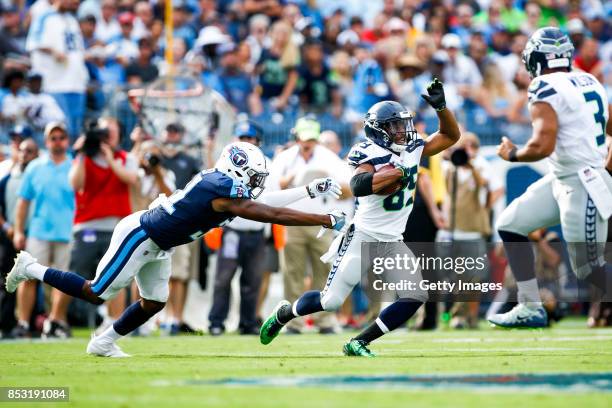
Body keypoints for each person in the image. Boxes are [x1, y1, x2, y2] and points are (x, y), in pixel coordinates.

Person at [5, 142, 345, 357]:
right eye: (252, 177)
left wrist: (308, 190)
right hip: (141, 234)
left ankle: (103, 342)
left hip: (161, 243)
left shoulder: (225, 186)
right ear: (235, 169)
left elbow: (266, 202)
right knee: (96, 292)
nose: (255, 184)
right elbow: (270, 213)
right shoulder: (219, 187)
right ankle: (30, 268)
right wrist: (325, 218)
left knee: (154, 301)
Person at [260, 78, 461, 356]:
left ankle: (359, 342)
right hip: (363, 235)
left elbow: (451, 137)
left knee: (415, 295)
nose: (402, 131)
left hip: (393, 239)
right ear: (379, 130)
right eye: (394, 126)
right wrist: (390, 175)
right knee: (330, 301)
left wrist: (441, 107)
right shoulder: (367, 150)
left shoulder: (413, 148)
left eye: (403, 124)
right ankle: (286, 312)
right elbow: (359, 185)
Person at [490, 27, 612, 328]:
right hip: (565, 178)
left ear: (535, 58)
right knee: (510, 224)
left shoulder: (543, 85)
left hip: (580, 182)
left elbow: (542, 145)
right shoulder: (590, 79)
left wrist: (512, 154)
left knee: (588, 269)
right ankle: (530, 306)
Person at [208, 121, 341, 335]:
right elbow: (270, 201)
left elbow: (271, 200)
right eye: (242, 138)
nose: (246, 143)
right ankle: (219, 321)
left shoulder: (270, 162)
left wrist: (311, 188)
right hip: (240, 228)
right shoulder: (230, 161)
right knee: (227, 277)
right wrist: (303, 185)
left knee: (255, 279)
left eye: (250, 138)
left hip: (277, 227)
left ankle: (251, 322)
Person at [268, 116, 350, 335]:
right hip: (292, 220)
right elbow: (273, 190)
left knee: (324, 271)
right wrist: (293, 178)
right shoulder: (285, 159)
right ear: (297, 138)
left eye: (312, 139)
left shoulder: (328, 158)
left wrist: (330, 183)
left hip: (320, 221)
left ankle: (325, 320)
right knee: (292, 273)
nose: (308, 143)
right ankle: (293, 322)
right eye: (305, 138)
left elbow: (349, 188)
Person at [68, 117, 138, 333]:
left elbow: (130, 179)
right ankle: (57, 319)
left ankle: (113, 321)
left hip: (116, 226)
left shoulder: (124, 157)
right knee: (75, 271)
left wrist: (110, 159)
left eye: (111, 132)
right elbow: (75, 184)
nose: (107, 136)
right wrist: (81, 153)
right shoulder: (85, 158)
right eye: (103, 132)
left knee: (115, 276)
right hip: (87, 225)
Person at [13, 122, 74, 338]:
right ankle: (23, 323)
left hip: (68, 233)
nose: (57, 142)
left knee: (64, 282)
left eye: (61, 137)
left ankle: (55, 322)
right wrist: (19, 231)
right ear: (46, 141)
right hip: (38, 233)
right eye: (53, 138)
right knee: (28, 278)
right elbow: (23, 203)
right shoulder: (35, 167)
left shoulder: (75, 166)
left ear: (67, 140)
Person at [26, 0, 88, 140]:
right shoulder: (44, 17)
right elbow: (32, 44)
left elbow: (78, 50)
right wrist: (53, 51)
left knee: (75, 132)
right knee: (58, 130)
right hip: (54, 84)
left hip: (76, 83)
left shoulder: (72, 20)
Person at [0, 138, 38, 338]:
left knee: (31, 279)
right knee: (6, 280)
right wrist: (8, 227)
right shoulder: (7, 179)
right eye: (22, 150)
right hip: (10, 236)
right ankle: (5, 324)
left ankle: (28, 324)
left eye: (30, 151)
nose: (25, 154)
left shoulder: (38, 177)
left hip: (35, 235)